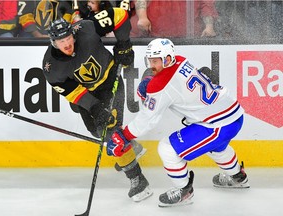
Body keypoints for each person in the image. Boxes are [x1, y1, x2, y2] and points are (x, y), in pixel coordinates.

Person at [106, 38, 250, 207]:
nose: (152, 65)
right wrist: (151, 83)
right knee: (217, 147)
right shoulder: (180, 60)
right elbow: (170, 85)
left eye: (156, 61)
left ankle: (184, 191)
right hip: (232, 113)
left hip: (217, 124)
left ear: (167, 59)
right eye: (150, 60)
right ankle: (238, 177)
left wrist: (124, 135)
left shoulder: (160, 86)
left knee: (168, 148)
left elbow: (147, 120)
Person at [41, 11, 152, 201]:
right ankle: (131, 147)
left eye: (68, 38)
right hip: (87, 93)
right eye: (61, 41)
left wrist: (124, 44)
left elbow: (119, 15)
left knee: (110, 132)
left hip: (111, 81)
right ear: (53, 42)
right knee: (95, 130)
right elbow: (73, 93)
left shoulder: (86, 28)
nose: (67, 44)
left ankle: (139, 181)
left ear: (72, 34)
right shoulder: (51, 68)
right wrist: (95, 108)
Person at [130, 0, 217, 38]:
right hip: (154, 35)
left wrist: (209, 26)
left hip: (189, 38)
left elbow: (206, 4)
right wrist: (142, 17)